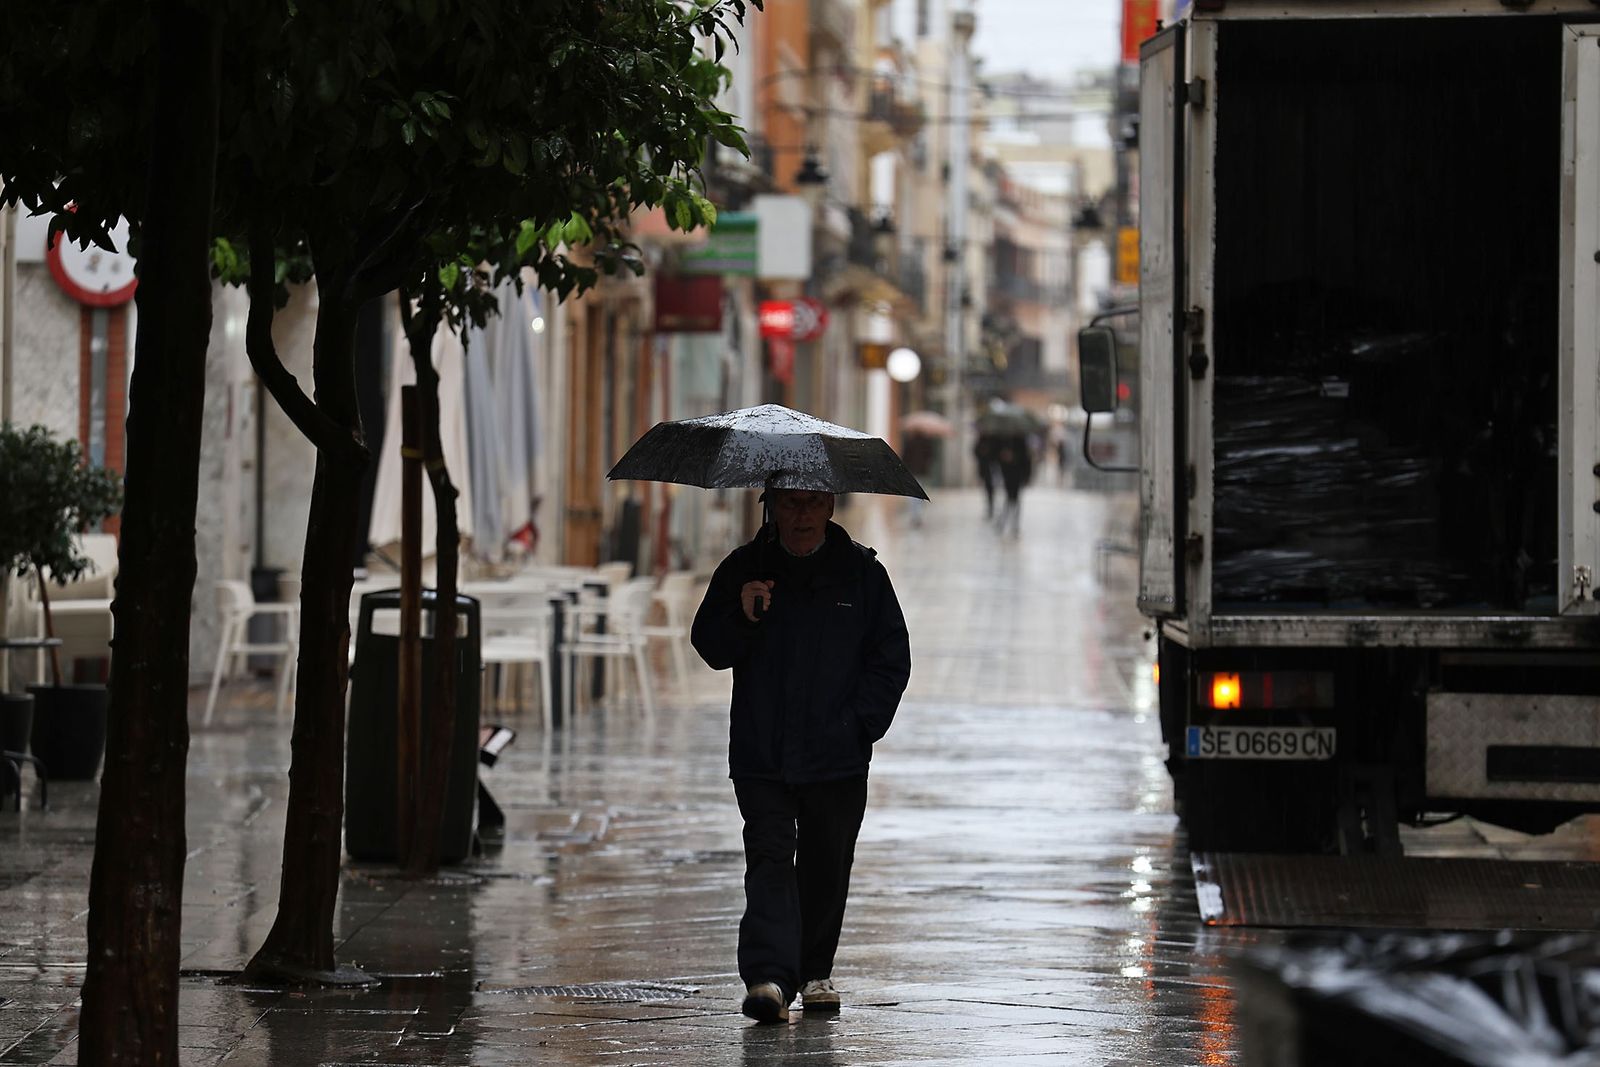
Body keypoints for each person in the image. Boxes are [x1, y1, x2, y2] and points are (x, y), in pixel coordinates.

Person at [691, 487, 912, 1024]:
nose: (802, 516)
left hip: (835, 754)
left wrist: (858, 726)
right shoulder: (746, 568)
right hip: (761, 750)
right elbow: (709, 645)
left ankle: (814, 970)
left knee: (825, 862)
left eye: (813, 503)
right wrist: (742, 616)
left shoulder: (861, 574)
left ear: (832, 506)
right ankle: (768, 978)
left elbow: (891, 657)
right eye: (789, 504)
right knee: (768, 856)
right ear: (771, 507)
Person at [996, 436, 1032, 537]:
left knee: (1015, 500)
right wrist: (1003, 457)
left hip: (1017, 475)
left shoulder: (1021, 441)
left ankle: (1014, 524)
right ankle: (1003, 522)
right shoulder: (1003, 440)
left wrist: (1026, 476)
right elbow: (996, 456)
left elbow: (1026, 459)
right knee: (1008, 499)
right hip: (1007, 474)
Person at [974, 434, 999, 518]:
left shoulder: (996, 439)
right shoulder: (981, 439)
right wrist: (982, 452)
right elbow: (975, 451)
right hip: (985, 469)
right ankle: (990, 506)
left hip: (995, 469)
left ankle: (994, 505)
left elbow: (998, 454)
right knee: (988, 488)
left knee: (994, 488)